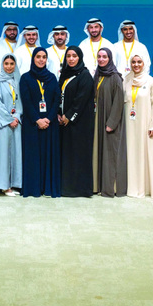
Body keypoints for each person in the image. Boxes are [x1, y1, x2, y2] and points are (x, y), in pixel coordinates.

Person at [19, 48, 61, 197]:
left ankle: (48, 187)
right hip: (32, 124)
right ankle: (34, 188)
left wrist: (48, 118)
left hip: (50, 124)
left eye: (44, 57)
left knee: (48, 155)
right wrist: (37, 119)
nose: (41, 60)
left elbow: (57, 99)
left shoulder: (52, 77)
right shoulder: (25, 78)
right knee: (33, 156)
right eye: (38, 57)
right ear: (33, 59)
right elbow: (26, 101)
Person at [57, 46, 95, 198]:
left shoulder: (85, 76)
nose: (71, 59)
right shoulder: (65, 74)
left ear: (80, 57)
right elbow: (60, 96)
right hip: (64, 123)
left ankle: (80, 189)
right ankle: (66, 187)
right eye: (68, 56)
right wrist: (59, 114)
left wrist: (69, 115)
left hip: (79, 123)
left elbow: (81, 99)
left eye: (74, 56)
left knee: (78, 154)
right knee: (67, 155)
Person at [124, 54, 153, 198]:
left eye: (139, 62)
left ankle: (145, 187)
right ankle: (131, 187)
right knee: (131, 153)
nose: (136, 65)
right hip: (129, 124)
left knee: (145, 153)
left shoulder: (151, 81)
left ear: (144, 63)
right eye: (133, 62)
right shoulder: (126, 80)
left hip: (146, 125)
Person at [0, 54, 23, 196]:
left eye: (11, 64)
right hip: (3, 122)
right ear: (2, 65)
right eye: (6, 64)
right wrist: (9, 119)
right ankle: (4, 185)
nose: (9, 67)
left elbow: (20, 102)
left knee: (15, 153)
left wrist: (17, 116)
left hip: (16, 122)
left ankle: (14, 183)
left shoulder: (17, 80)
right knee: (3, 154)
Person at [93, 47, 126, 197]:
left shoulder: (115, 77)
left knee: (109, 155)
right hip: (97, 120)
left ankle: (109, 188)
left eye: (104, 57)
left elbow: (118, 102)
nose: (101, 59)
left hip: (109, 123)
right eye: (99, 57)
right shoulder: (98, 75)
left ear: (110, 58)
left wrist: (111, 123)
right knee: (98, 153)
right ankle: (98, 186)